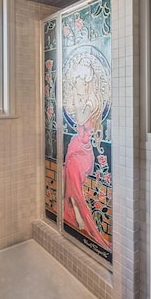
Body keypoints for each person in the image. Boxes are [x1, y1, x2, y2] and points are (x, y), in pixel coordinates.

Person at [63, 56, 111, 249]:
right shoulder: (83, 98)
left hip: (84, 152)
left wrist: (75, 97)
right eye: (75, 82)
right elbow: (69, 109)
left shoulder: (92, 101)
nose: (76, 85)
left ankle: (81, 215)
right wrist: (75, 97)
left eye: (79, 82)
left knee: (73, 172)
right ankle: (75, 210)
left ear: (86, 82)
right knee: (69, 173)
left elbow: (81, 119)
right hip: (75, 146)